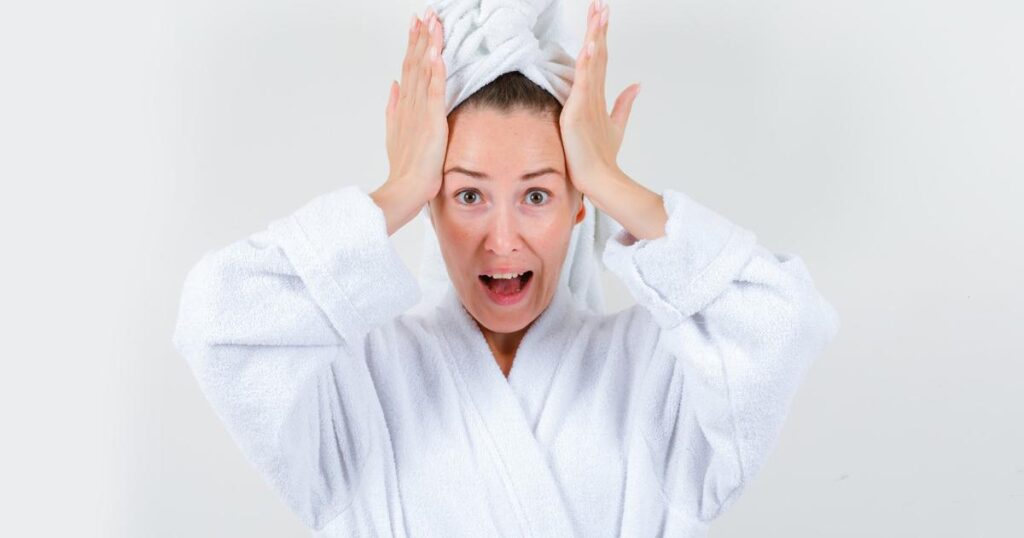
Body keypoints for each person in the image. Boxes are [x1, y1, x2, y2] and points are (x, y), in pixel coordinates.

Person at [172, 2, 840, 536]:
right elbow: (215, 322)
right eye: (466, 194)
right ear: (431, 202)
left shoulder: (654, 369)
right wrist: (397, 188)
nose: (502, 240)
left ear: (582, 204)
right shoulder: (359, 377)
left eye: (538, 194)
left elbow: (783, 320)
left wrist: (612, 181)